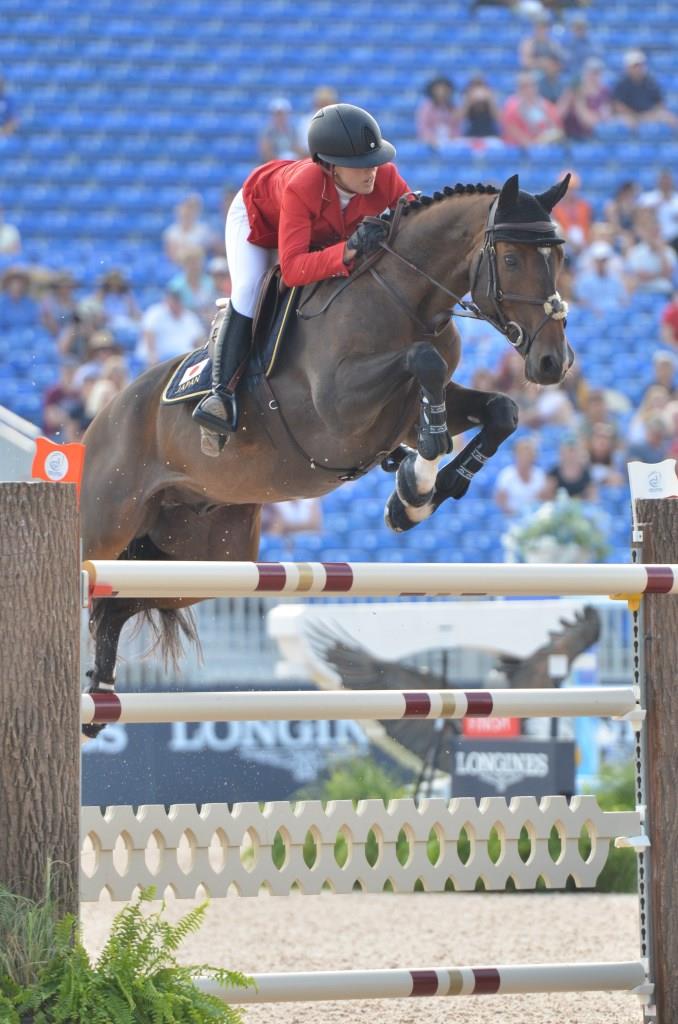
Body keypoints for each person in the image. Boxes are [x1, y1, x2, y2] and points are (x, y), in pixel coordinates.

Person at [192, 103, 410, 438]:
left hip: (318, 234)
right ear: (331, 167)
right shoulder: (303, 185)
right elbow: (292, 269)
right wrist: (349, 249)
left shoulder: (386, 178)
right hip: (258, 221)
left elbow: (414, 219)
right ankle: (220, 395)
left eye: (375, 160)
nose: (372, 171)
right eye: (361, 165)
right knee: (250, 289)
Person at [137, 283, 205, 366]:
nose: (176, 302)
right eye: (174, 299)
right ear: (168, 298)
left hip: (184, 361)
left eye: (178, 299)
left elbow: (199, 339)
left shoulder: (189, 316)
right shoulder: (155, 313)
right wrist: (152, 357)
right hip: (160, 362)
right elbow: (148, 334)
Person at [612, 50, 677, 128]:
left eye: (640, 65)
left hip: (650, 114)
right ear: (628, 67)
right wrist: (635, 115)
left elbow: (660, 102)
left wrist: (650, 114)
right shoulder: (622, 83)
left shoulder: (651, 81)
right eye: (635, 66)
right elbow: (618, 105)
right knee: (625, 123)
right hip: (630, 116)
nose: (638, 68)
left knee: (671, 119)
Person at [502, 71, 563, 148]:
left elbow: (557, 129)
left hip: (545, 146)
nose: (529, 89)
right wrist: (534, 146)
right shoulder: (510, 107)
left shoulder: (546, 105)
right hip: (518, 149)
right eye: (524, 86)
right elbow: (514, 132)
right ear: (517, 88)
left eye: (532, 85)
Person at [624, 209, 677, 295]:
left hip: (663, 293)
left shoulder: (668, 251)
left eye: (656, 231)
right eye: (650, 230)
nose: (653, 234)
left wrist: (661, 252)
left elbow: (668, 275)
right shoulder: (636, 251)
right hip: (641, 292)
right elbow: (640, 275)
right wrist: (659, 275)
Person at [560, 57, 612, 141]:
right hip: (571, 136)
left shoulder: (603, 92)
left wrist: (579, 100)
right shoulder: (573, 91)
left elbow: (592, 122)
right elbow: (559, 114)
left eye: (597, 73)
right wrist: (570, 95)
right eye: (592, 73)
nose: (594, 77)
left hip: (592, 137)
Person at [494, 436, 547, 516]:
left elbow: (543, 500)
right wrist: (516, 515)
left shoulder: (540, 475)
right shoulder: (506, 475)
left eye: (529, 453)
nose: (525, 456)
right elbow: (500, 503)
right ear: (515, 454)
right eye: (522, 453)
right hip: (510, 520)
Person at [574, 241, 628, 315]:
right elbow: (582, 302)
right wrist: (596, 312)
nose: (601, 263)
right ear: (593, 261)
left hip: (614, 316)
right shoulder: (584, 280)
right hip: (591, 317)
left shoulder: (616, 279)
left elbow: (623, 300)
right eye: (598, 261)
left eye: (603, 260)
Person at [163, 194, 214, 265]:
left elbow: (204, 252)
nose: (187, 212)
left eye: (191, 209)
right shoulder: (171, 231)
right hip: (177, 266)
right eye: (185, 208)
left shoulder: (204, 229)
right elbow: (172, 255)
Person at [638, 170, 678, 253]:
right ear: (658, 182)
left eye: (667, 181)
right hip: (653, 236)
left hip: (675, 236)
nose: (665, 183)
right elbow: (639, 217)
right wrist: (654, 208)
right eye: (663, 181)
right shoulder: (648, 198)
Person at [416, 76, 461, 148]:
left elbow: (456, 125)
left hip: (451, 143)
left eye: (444, 89)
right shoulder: (427, 107)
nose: (441, 92)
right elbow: (423, 127)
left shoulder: (453, 107)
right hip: (430, 143)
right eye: (438, 89)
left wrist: (453, 140)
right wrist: (431, 139)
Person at [258, 97, 304, 162]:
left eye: (282, 114)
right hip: (273, 164)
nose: (280, 117)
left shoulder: (293, 130)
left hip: (291, 164)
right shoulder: (267, 131)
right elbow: (265, 153)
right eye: (277, 114)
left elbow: (298, 149)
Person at [459, 74, 501, 141]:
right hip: (471, 134)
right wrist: (469, 101)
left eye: (480, 86)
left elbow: (498, 118)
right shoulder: (467, 99)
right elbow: (459, 119)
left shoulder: (491, 99)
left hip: (490, 133)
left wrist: (490, 101)